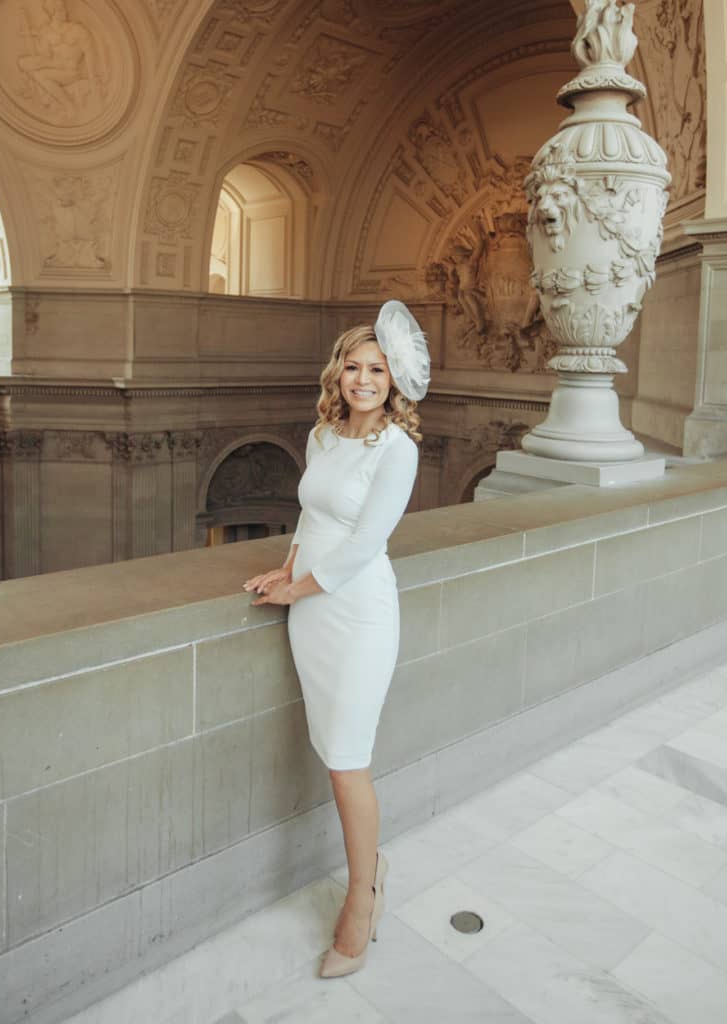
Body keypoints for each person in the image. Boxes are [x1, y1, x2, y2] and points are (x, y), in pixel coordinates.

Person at [243, 300, 430, 979]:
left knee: (348, 759)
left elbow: (363, 543)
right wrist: (286, 568)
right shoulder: (323, 434)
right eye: (353, 367)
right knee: (331, 753)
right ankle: (368, 872)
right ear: (337, 374)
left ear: (393, 379)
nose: (363, 380)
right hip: (312, 611)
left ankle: (362, 896)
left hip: (357, 612)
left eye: (376, 369)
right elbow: (310, 516)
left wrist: (300, 589)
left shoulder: (398, 448)